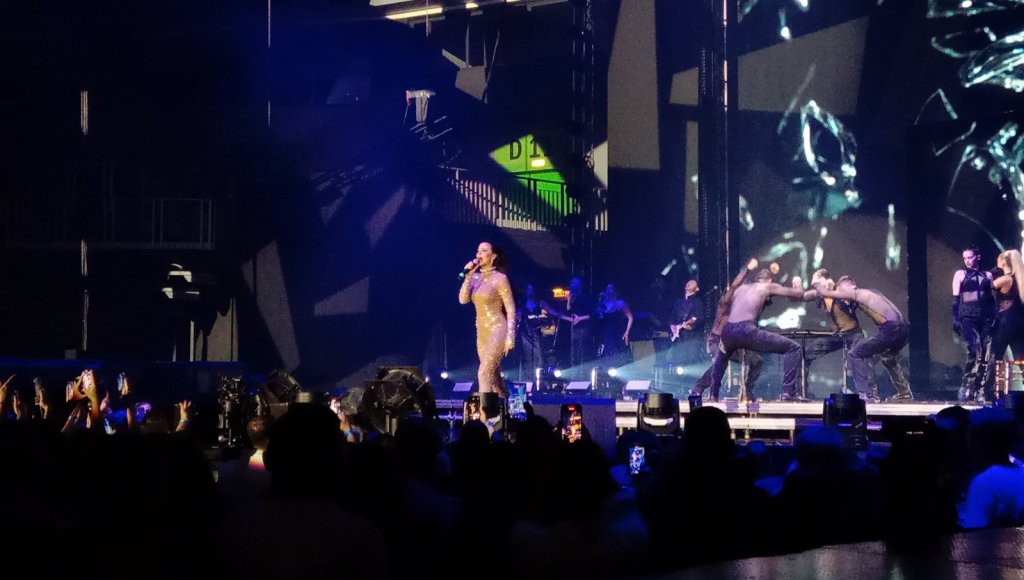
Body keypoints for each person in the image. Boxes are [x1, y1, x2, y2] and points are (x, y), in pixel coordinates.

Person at [708, 266, 810, 401]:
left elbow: (730, 296)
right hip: (746, 330)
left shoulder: (741, 289)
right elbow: (798, 294)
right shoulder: (767, 286)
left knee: (722, 358)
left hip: (728, 331)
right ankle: (788, 392)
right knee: (793, 348)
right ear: (769, 280)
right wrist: (798, 283)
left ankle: (713, 395)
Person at [811, 276, 913, 400]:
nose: (841, 296)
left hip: (891, 329)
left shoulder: (856, 293)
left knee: (856, 353)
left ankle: (866, 394)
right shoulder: (871, 292)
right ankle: (904, 393)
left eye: (841, 291)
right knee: (887, 357)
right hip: (903, 329)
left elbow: (825, 292)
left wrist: (816, 283)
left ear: (849, 286)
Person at [691, 258, 762, 401]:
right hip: (717, 341)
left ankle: (747, 390)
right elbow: (735, 286)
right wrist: (747, 269)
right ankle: (698, 388)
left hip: (734, 344)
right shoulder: (724, 303)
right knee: (720, 363)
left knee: (757, 362)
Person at [804, 268, 878, 402]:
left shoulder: (841, 291)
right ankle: (801, 389)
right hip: (836, 335)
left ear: (826, 279)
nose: (815, 284)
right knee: (806, 353)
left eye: (817, 281)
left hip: (853, 333)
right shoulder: (821, 294)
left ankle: (868, 393)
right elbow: (806, 295)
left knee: (861, 357)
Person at [459, 242, 516, 398]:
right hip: (481, 332)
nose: (479, 254)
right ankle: (506, 407)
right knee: (494, 379)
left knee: (483, 373)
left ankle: (485, 413)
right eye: (478, 251)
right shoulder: (475, 278)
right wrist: (468, 276)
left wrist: (511, 336)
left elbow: (510, 308)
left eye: (484, 250)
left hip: (498, 329)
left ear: (493, 256)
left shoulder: (500, 278)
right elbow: (463, 300)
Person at [953, 245, 995, 402]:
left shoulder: (987, 275)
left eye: (969, 257)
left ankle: (980, 389)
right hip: (968, 316)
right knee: (974, 351)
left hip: (985, 318)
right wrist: (955, 318)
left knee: (986, 354)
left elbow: (991, 299)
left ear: (978, 257)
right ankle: (967, 385)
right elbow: (955, 298)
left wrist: (995, 316)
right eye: (965, 258)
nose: (967, 261)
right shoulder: (960, 274)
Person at [986, 249, 1024, 400]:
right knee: (1021, 358)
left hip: (1005, 323)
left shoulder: (1006, 279)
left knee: (994, 356)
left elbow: (985, 286)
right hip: (1020, 324)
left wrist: (991, 273)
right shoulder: (1020, 280)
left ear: (1003, 262)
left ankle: (987, 392)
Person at [517, 283, 557, 376]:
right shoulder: (523, 302)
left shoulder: (539, 302)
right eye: (528, 290)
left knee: (537, 353)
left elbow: (551, 311)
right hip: (525, 331)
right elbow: (518, 314)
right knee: (527, 354)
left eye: (532, 290)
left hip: (536, 330)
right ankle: (528, 376)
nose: (530, 292)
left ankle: (538, 376)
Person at [595, 283, 634, 367]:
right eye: (608, 289)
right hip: (607, 334)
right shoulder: (602, 305)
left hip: (618, 332)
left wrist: (627, 331)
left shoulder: (620, 303)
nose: (610, 291)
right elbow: (598, 319)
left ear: (615, 291)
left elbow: (630, 317)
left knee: (619, 353)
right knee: (608, 354)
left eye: (611, 288)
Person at [669, 279, 704, 365]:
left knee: (691, 362)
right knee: (678, 361)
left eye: (692, 283)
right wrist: (672, 325)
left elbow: (699, 318)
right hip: (679, 338)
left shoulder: (698, 302)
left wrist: (691, 326)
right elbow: (673, 316)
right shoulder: (678, 302)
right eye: (688, 282)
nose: (688, 284)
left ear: (697, 289)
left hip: (691, 338)